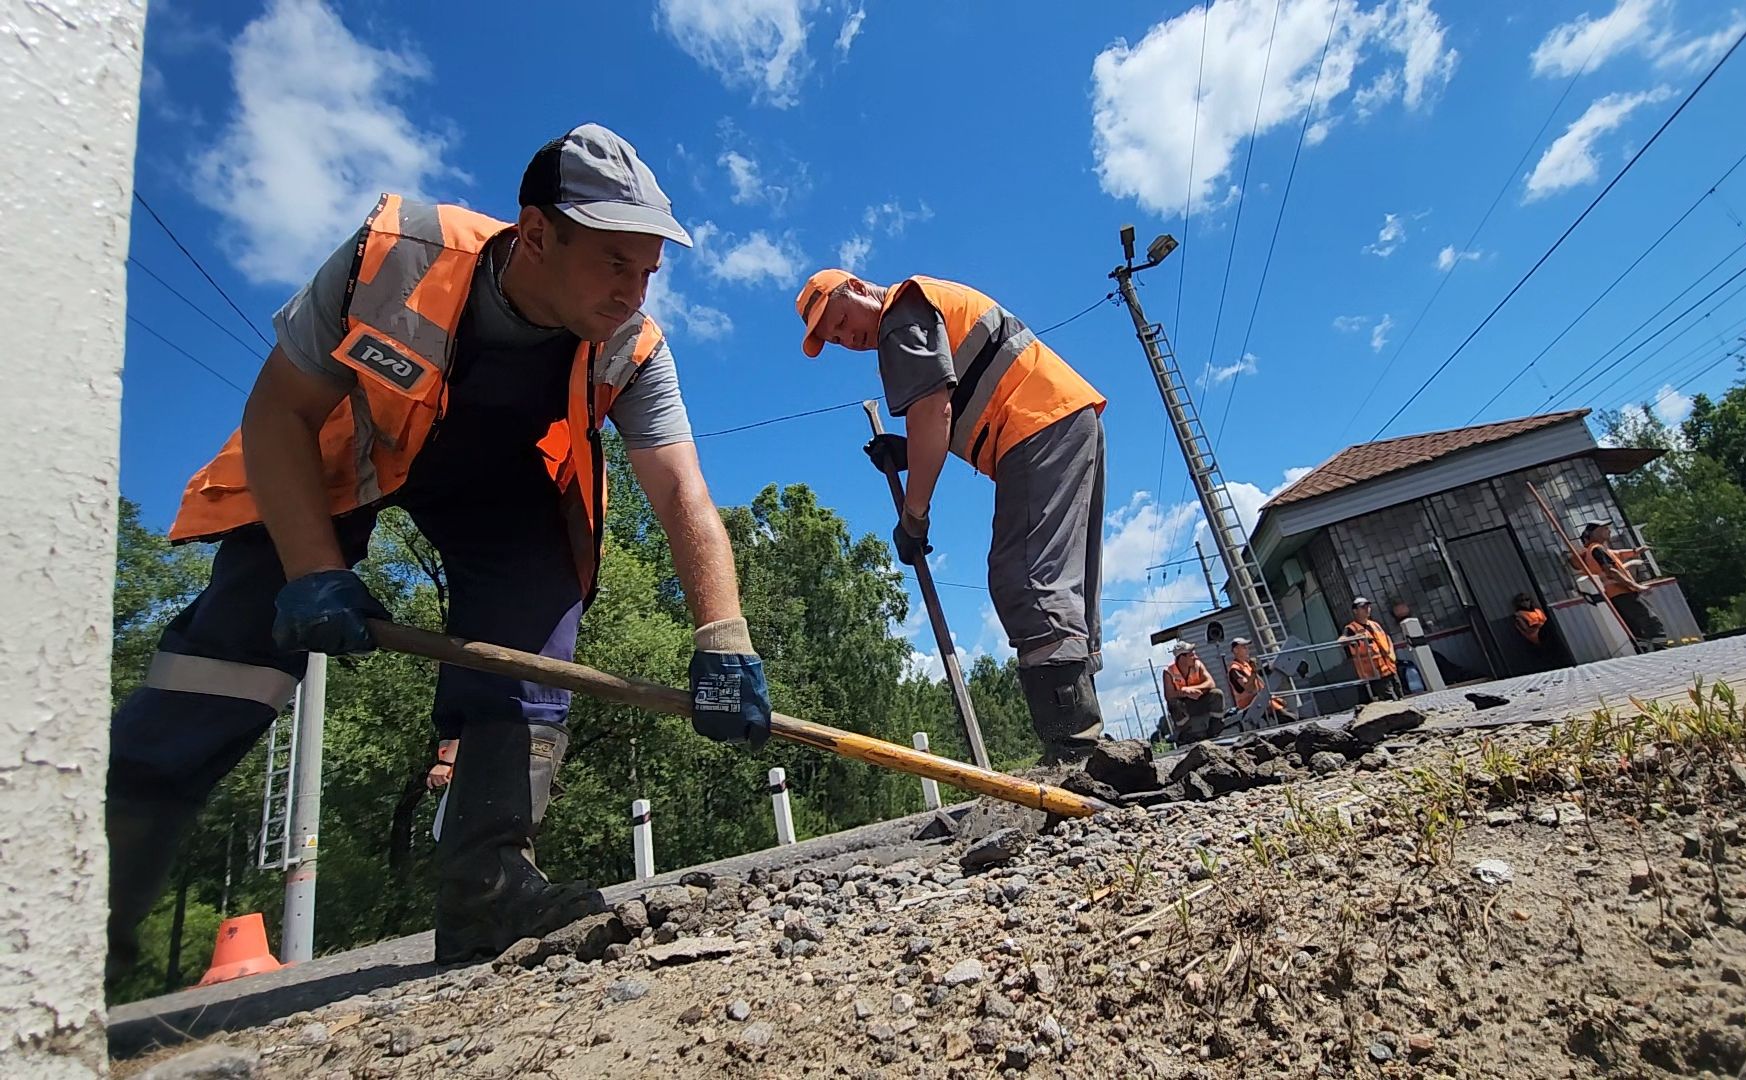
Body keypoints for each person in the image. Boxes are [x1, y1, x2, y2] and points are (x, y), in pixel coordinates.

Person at [106, 124, 773, 974]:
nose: (635, 292)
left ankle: (487, 890)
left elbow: (682, 492)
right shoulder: (394, 257)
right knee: (226, 654)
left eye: (648, 269)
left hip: (503, 495)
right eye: (615, 263)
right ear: (536, 234)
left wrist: (722, 635)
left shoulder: (634, 348)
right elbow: (278, 414)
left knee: (533, 626)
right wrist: (315, 571)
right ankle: (79, 902)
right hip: (341, 469)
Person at [796, 268, 1107, 762]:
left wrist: (914, 514)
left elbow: (932, 414)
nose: (844, 337)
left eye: (838, 319)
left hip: (1037, 425)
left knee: (1023, 578)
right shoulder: (919, 311)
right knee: (1061, 585)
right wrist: (908, 451)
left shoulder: (901, 316)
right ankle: (1087, 737)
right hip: (1062, 417)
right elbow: (952, 410)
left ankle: (1074, 748)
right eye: (833, 338)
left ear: (855, 288)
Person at [1579, 520, 1667, 648]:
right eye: (1605, 528)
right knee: (1650, 622)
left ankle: (1643, 651)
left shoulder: (1594, 551)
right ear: (1594, 533)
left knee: (1635, 628)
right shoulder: (1597, 549)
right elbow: (1611, 570)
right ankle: (1662, 649)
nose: (1609, 531)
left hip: (1616, 595)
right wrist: (1635, 586)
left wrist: (1636, 551)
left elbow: (1619, 554)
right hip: (1622, 592)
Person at [1163, 642, 1226, 744]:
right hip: (1185, 706)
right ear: (1182, 658)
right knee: (1173, 704)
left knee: (1217, 694)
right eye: (1191, 655)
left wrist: (1192, 689)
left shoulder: (1198, 665)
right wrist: (1185, 692)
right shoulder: (1169, 671)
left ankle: (1214, 729)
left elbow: (1211, 683)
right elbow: (1169, 695)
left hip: (1200, 700)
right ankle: (1185, 733)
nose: (1195, 657)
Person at [1343, 598, 1400, 702]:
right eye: (1363, 607)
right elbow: (1341, 641)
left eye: (1368, 607)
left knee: (1400, 697)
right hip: (1374, 673)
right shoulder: (1351, 628)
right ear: (1355, 611)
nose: (1367, 609)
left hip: (1390, 668)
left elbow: (1387, 638)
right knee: (1390, 700)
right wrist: (1355, 638)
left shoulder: (1374, 624)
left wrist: (1392, 655)